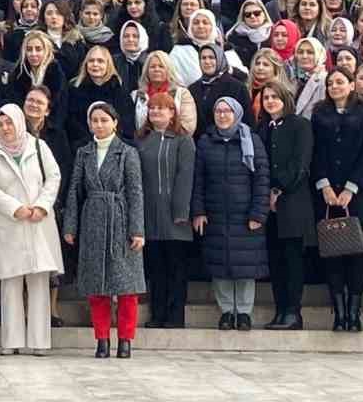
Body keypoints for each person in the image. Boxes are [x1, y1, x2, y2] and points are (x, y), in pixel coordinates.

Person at [63, 100, 145, 358]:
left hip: (120, 221)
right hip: (92, 221)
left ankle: (125, 340)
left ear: (115, 123)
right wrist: (71, 226)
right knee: (97, 287)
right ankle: (101, 340)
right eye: (94, 121)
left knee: (126, 287)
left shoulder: (127, 152)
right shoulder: (83, 153)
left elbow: (135, 192)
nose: (99, 125)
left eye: (104, 120)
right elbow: (75, 191)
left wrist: (137, 229)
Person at [0, 102, 62, 356]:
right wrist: (15, 208)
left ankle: (39, 342)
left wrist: (41, 206)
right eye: (1, 124)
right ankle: (11, 341)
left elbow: (54, 177)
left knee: (38, 282)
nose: (5, 128)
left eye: (9, 123)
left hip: (38, 221)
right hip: (10, 223)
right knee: (11, 284)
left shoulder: (38, 146)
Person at [191, 96, 269, 330]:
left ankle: (244, 312)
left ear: (237, 114)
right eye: (218, 111)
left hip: (245, 214)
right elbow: (198, 180)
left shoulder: (251, 141)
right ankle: (226, 311)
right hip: (215, 214)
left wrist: (258, 213)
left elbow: (262, 179)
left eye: (227, 111)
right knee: (220, 265)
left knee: (246, 266)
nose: (222, 115)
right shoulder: (206, 142)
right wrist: (199, 211)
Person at [310, 66, 363, 331]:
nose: (335, 86)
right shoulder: (319, 114)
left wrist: (351, 188)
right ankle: (338, 313)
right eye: (331, 83)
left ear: (351, 85)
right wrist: (324, 186)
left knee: (355, 253)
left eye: (340, 82)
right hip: (327, 194)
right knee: (332, 252)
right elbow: (315, 153)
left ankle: (354, 313)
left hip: (356, 194)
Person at [257, 78, 314, 330]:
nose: (270, 101)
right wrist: (267, 190)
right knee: (276, 260)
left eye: (274, 97)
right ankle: (280, 310)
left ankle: (293, 312)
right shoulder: (262, 128)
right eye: (266, 97)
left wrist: (279, 188)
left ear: (285, 99)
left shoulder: (300, 125)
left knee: (292, 259)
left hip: (292, 201)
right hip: (267, 204)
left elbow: (300, 164)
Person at [135, 90, 194, 329]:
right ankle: (157, 314)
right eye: (153, 108)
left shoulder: (183, 140)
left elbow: (185, 176)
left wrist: (181, 211)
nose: (156, 112)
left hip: (175, 216)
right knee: (156, 269)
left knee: (176, 269)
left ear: (173, 113)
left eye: (162, 108)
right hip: (149, 214)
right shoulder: (141, 141)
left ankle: (174, 315)